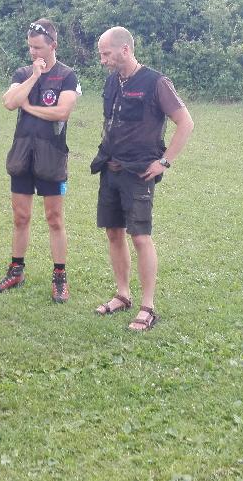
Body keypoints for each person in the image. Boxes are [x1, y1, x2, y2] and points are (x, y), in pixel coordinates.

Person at [90, 26, 194, 331]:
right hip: (110, 167)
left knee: (140, 237)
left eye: (106, 54)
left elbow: (185, 122)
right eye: (101, 54)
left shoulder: (156, 82)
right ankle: (123, 295)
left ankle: (148, 307)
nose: (102, 60)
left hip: (139, 172)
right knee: (114, 232)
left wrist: (165, 161)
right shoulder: (113, 81)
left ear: (125, 49)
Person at [0, 18, 81, 303]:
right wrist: (33, 77)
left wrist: (29, 107)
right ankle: (16, 270)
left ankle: (60, 277)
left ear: (53, 45)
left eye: (39, 47)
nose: (33, 52)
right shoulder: (22, 73)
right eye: (30, 47)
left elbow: (62, 112)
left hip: (52, 157)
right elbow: (9, 102)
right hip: (22, 155)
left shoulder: (67, 76)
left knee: (54, 219)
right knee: (21, 217)